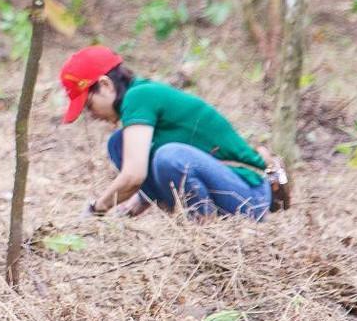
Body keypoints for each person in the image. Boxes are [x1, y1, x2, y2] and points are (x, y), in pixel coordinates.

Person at [60, 44, 281, 220]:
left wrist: (96, 209)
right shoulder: (140, 97)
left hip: (251, 195)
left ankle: (205, 231)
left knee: (170, 157)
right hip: (227, 187)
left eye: (89, 105)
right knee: (118, 143)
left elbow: (134, 175)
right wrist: (134, 206)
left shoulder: (139, 96)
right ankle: (198, 225)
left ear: (106, 85)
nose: (92, 114)